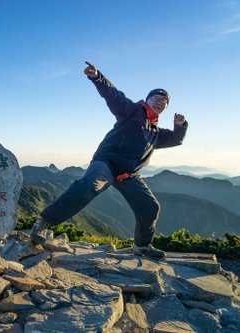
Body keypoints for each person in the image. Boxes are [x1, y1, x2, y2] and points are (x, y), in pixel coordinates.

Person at [31, 61, 188, 260]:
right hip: (106, 163)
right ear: (147, 99)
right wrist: (97, 76)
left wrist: (180, 126)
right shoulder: (132, 111)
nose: (159, 103)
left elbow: (176, 139)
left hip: (128, 174)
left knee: (150, 206)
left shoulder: (156, 133)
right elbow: (113, 95)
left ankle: (142, 246)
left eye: (163, 103)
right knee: (89, 185)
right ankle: (44, 222)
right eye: (156, 98)